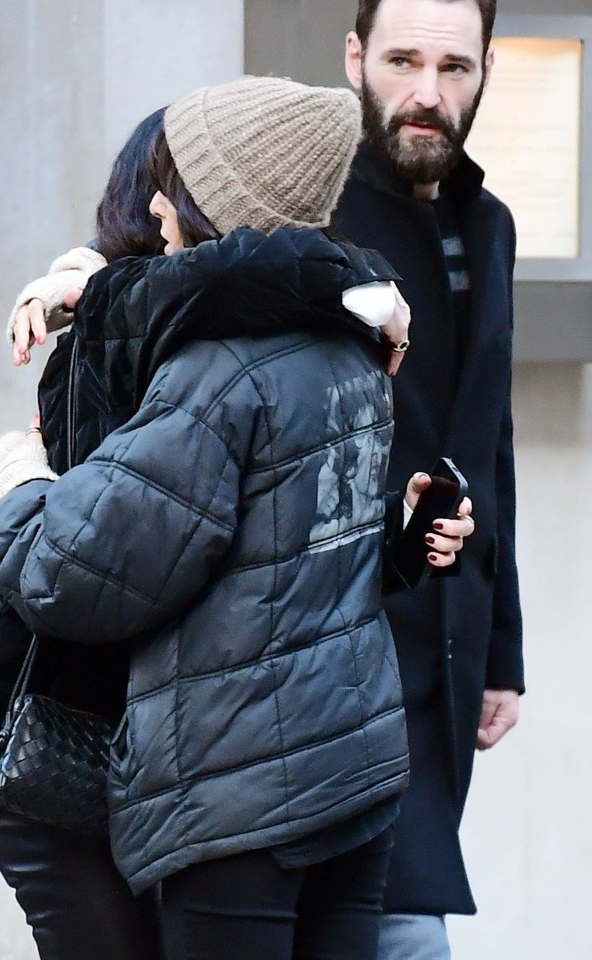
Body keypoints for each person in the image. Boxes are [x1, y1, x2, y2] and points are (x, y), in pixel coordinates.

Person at [0, 75, 471, 960]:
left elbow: (76, 575)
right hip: (348, 774)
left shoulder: (219, 372)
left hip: (238, 793)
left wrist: (13, 480)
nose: (161, 204)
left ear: (223, 209)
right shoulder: (353, 345)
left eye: (185, 183)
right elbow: (283, 557)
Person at [330, 1, 524, 957]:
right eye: (403, 61)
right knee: (402, 925)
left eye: (453, 67)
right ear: (356, 57)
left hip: (449, 636)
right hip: (334, 639)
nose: (426, 93)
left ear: (485, 68)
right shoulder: (312, 214)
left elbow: (491, 440)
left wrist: (503, 652)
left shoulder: (490, 225)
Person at [0, 108, 168, 960]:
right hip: (53, 744)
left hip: (123, 748)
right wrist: (16, 482)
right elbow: (77, 554)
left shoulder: (121, 320)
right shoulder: (107, 341)